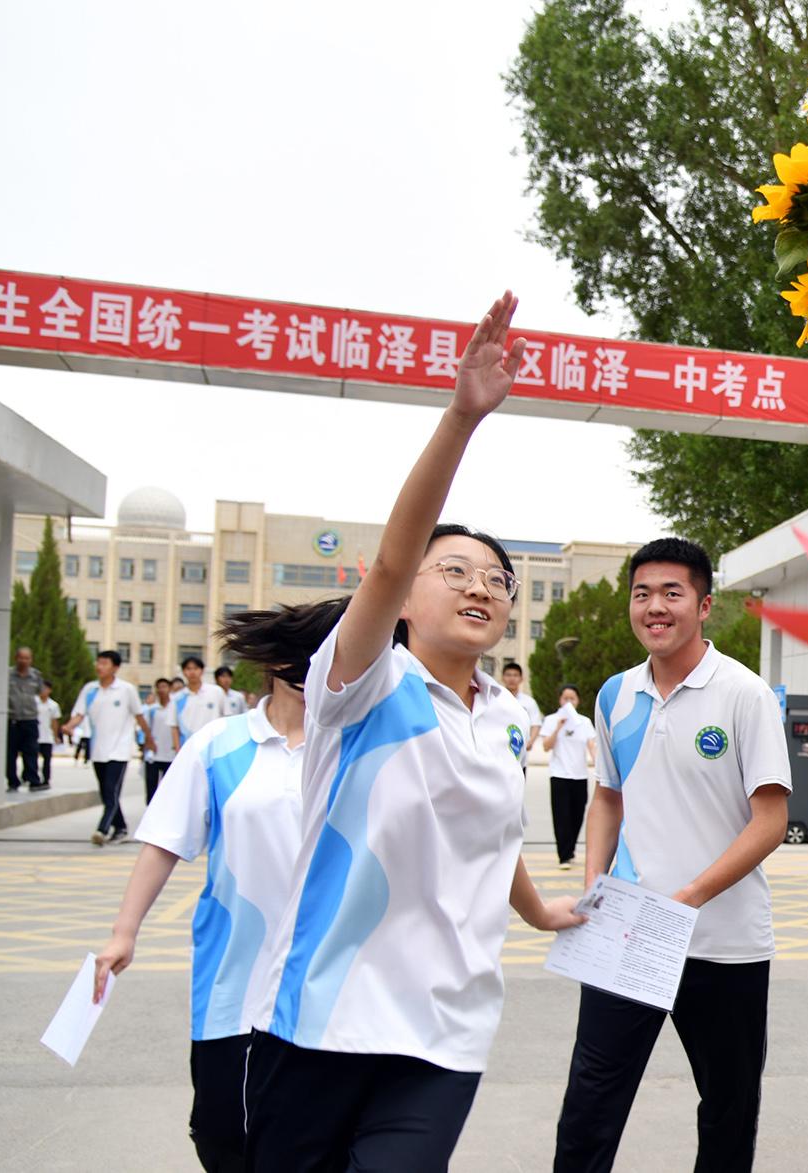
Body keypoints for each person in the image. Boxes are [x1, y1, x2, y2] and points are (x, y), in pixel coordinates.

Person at [239, 294, 583, 1171]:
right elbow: (394, 558)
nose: (480, 586)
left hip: (444, 1030)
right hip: (322, 1017)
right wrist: (462, 417)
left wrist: (538, 909)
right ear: (404, 598)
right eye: (454, 569)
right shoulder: (364, 683)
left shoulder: (505, 718)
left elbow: (490, 836)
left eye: (496, 580)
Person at [554, 537, 792, 1173]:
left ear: (704, 605)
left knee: (728, 1109)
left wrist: (687, 898)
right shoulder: (614, 695)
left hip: (723, 942)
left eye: (671, 593)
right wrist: (596, 886)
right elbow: (608, 798)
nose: (654, 607)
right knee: (589, 1107)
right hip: (628, 931)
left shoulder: (743, 694)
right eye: (642, 594)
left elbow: (771, 821)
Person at [91, 598, 346, 1172]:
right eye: (308, 657)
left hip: (330, 983)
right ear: (277, 663)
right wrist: (124, 932)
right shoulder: (218, 744)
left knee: (313, 1143)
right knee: (221, 1134)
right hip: (235, 979)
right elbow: (164, 841)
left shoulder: (354, 746)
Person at [64, 651, 155, 846]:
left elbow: (139, 716)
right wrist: (69, 726)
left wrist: (148, 738)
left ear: (115, 667)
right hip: (98, 750)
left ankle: (102, 829)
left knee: (110, 790)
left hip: (119, 750)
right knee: (106, 793)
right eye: (98, 662)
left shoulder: (126, 689)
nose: (99, 666)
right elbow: (79, 714)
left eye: (104, 663)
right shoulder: (90, 689)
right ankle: (120, 827)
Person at [541, 684, 595, 870]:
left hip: (580, 776)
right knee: (561, 816)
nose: (569, 702)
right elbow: (546, 746)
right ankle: (563, 856)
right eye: (565, 698)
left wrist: (597, 763)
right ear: (560, 700)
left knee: (577, 815)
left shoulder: (584, 722)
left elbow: (591, 744)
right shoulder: (551, 720)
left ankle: (570, 850)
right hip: (559, 775)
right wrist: (558, 728)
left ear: (578, 701)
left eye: (572, 698)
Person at [6, 646, 46, 792]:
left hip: (30, 719)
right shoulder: (7, 674)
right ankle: (12, 781)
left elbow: (41, 693)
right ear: (16, 658)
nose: (24, 661)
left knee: (31, 751)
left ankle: (33, 780)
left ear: (31, 660)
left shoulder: (36, 676)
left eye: (27, 658)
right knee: (10, 753)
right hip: (12, 719)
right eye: (21, 658)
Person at [173, 656, 227, 750]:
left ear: (202, 671)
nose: (192, 672)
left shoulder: (216, 691)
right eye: (188, 669)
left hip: (213, 744)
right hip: (188, 746)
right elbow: (174, 727)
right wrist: (178, 750)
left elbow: (226, 718)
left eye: (196, 668)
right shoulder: (177, 698)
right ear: (183, 672)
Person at [142, 678, 179, 803]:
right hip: (154, 754)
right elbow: (146, 729)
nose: (161, 689)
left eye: (164, 686)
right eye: (159, 687)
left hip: (171, 754)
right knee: (151, 785)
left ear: (170, 689)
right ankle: (150, 808)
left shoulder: (175, 707)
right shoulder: (152, 709)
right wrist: (148, 744)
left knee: (168, 787)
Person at [503, 660, 544, 748]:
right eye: (508, 675)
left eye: (515, 675)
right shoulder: (494, 699)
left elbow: (535, 724)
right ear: (502, 677)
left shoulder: (529, 702)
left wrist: (530, 742)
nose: (512, 678)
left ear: (521, 678)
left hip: (520, 746)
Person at [34, 680, 60, 791]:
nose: (43, 690)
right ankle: (32, 778)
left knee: (47, 760)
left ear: (50, 690)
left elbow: (54, 722)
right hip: (34, 735)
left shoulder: (53, 705)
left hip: (47, 736)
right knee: (32, 759)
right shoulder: (34, 702)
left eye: (45, 688)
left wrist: (55, 736)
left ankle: (46, 779)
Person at [71, 679, 98, 763]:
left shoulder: (94, 700)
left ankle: (87, 759)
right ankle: (76, 757)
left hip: (90, 730)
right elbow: (76, 714)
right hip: (81, 729)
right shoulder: (82, 702)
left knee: (88, 746)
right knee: (80, 745)